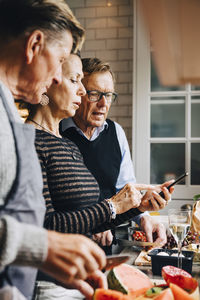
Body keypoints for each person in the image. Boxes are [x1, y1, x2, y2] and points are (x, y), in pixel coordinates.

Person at [24, 53, 172, 298]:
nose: (81, 92)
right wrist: (112, 205)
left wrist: (138, 208)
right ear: (48, 82)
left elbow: (92, 219)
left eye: (84, 85)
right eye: (75, 81)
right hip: (51, 283)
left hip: (81, 278)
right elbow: (45, 227)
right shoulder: (28, 139)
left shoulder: (66, 145)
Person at [0, 2, 107, 300]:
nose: (58, 78)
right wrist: (43, 247)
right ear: (34, 45)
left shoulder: (8, 110)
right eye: (60, 60)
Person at [60, 57, 173, 250]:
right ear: (78, 93)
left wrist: (144, 217)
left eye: (109, 95)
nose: (104, 104)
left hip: (106, 244)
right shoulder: (57, 133)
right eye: (94, 94)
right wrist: (93, 224)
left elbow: (125, 189)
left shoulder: (116, 132)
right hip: (65, 247)